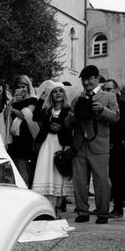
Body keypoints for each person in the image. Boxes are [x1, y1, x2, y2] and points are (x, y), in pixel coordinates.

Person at [65, 64, 119, 224]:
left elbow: (116, 117)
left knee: (101, 181)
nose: (86, 83)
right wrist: (74, 117)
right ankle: (82, 211)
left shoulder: (109, 97)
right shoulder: (77, 99)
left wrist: (101, 110)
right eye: (84, 80)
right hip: (79, 146)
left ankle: (103, 213)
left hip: (100, 145)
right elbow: (67, 123)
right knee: (79, 181)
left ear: (97, 79)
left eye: (89, 79)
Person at [31, 81, 73, 216]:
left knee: (59, 173)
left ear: (64, 94)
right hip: (46, 143)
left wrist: (61, 128)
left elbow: (72, 128)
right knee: (44, 170)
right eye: (55, 91)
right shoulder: (47, 110)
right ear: (51, 95)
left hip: (61, 144)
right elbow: (35, 116)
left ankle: (58, 207)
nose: (58, 93)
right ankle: (45, 206)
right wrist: (41, 99)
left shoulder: (68, 109)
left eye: (60, 91)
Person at [103, 79, 125, 218]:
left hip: (116, 145)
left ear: (116, 89)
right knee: (109, 177)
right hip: (105, 143)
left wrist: (114, 142)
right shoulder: (104, 102)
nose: (106, 92)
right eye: (104, 89)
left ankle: (118, 208)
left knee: (117, 177)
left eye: (109, 89)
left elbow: (122, 125)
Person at [7, 74, 40, 187]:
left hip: (25, 136)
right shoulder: (14, 100)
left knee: (22, 165)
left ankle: (25, 190)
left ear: (28, 86)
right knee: (15, 165)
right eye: (18, 87)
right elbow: (5, 115)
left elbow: (25, 115)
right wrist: (12, 102)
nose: (21, 89)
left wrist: (13, 109)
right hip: (14, 137)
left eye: (23, 87)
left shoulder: (33, 100)